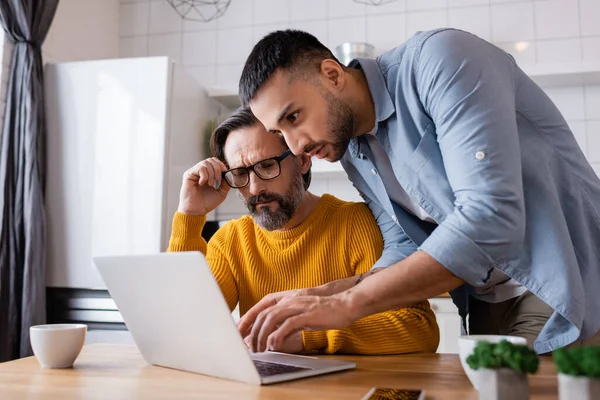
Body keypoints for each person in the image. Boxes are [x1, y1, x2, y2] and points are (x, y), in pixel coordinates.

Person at [235, 28, 600, 355]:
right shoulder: (352, 148)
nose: (295, 147)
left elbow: (491, 216)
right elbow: (405, 246)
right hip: (487, 302)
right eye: (280, 133)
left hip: (565, 278)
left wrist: (347, 304)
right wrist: (320, 294)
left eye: (294, 117)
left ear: (332, 74)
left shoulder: (443, 57)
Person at [166, 106, 439, 355]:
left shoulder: (355, 223)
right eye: (240, 174)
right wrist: (191, 215)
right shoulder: (230, 241)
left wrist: (310, 336)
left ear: (303, 161)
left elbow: (418, 328)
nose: (254, 189)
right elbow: (181, 326)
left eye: (267, 166)